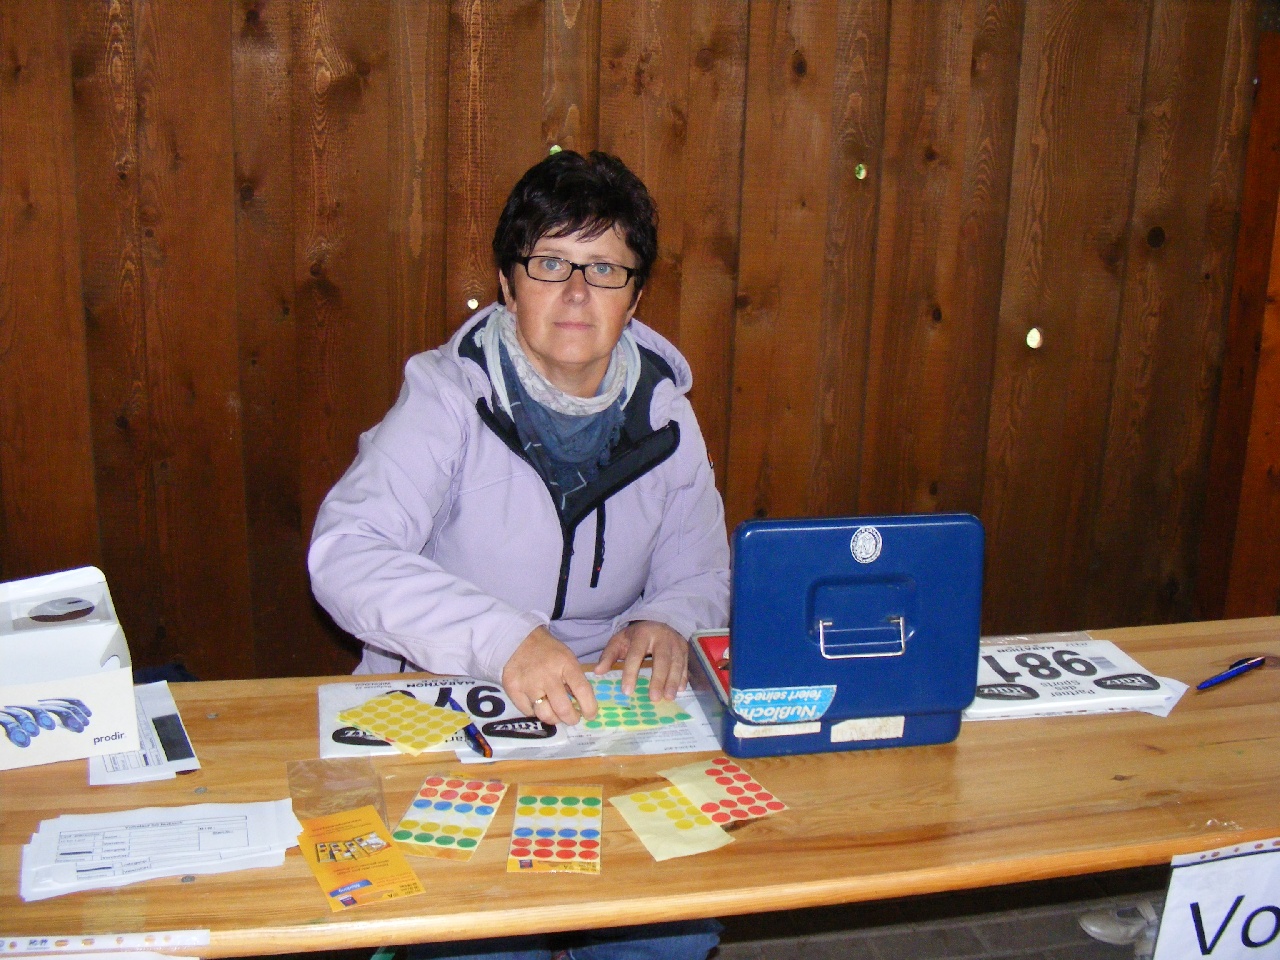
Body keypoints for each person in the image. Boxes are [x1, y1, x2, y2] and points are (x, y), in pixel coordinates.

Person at [308, 148, 730, 960]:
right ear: (508, 283)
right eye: (550, 263)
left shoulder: (668, 416)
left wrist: (669, 619)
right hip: (451, 700)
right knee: (485, 937)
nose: (576, 291)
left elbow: (702, 569)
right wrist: (502, 639)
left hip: (609, 718)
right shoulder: (444, 396)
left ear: (636, 296)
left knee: (670, 932)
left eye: (604, 268)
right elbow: (345, 551)